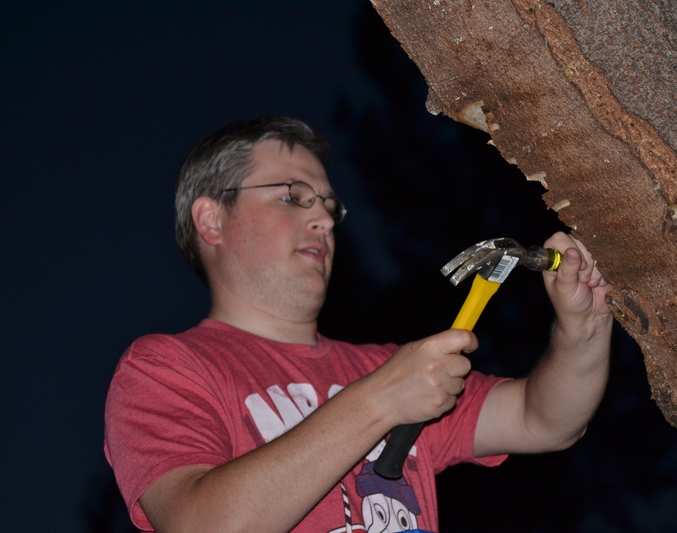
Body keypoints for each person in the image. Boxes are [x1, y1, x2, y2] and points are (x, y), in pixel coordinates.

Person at [104, 116, 614, 533]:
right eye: (291, 197)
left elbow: (544, 420)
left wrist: (584, 327)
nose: (324, 219)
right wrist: (381, 400)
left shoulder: (385, 366)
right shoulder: (162, 369)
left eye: (328, 205)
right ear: (212, 219)